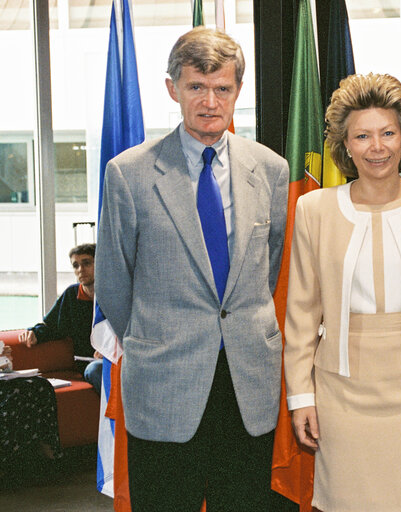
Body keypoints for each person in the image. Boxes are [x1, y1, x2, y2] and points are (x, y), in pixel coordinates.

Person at [95, 27, 288, 510]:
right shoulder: (130, 173)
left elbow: (269, 268)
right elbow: (115, 283)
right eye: (196, 87)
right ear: (172, 89)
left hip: (247, 382)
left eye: (222, 88)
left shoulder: (271, 170)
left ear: (237, 92)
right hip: (165, 380)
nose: (209, 101)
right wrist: (154, 338)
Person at [284, 73, 401, 512]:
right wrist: (301, 398)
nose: (378, 147)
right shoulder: (313, 209)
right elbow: (300, 317)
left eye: (388, 133)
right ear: (345, 144)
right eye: (363, 136)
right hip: (340, 397)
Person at [19, 243, 103, 393]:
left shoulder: (114, 294)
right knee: (95, 370)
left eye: (86, 263)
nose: (80, 270)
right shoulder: (71, 295)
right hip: (88, 364)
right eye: (75, 265)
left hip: (117, 359)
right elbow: (52, 326)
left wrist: (110, 350)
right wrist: (34, 332)